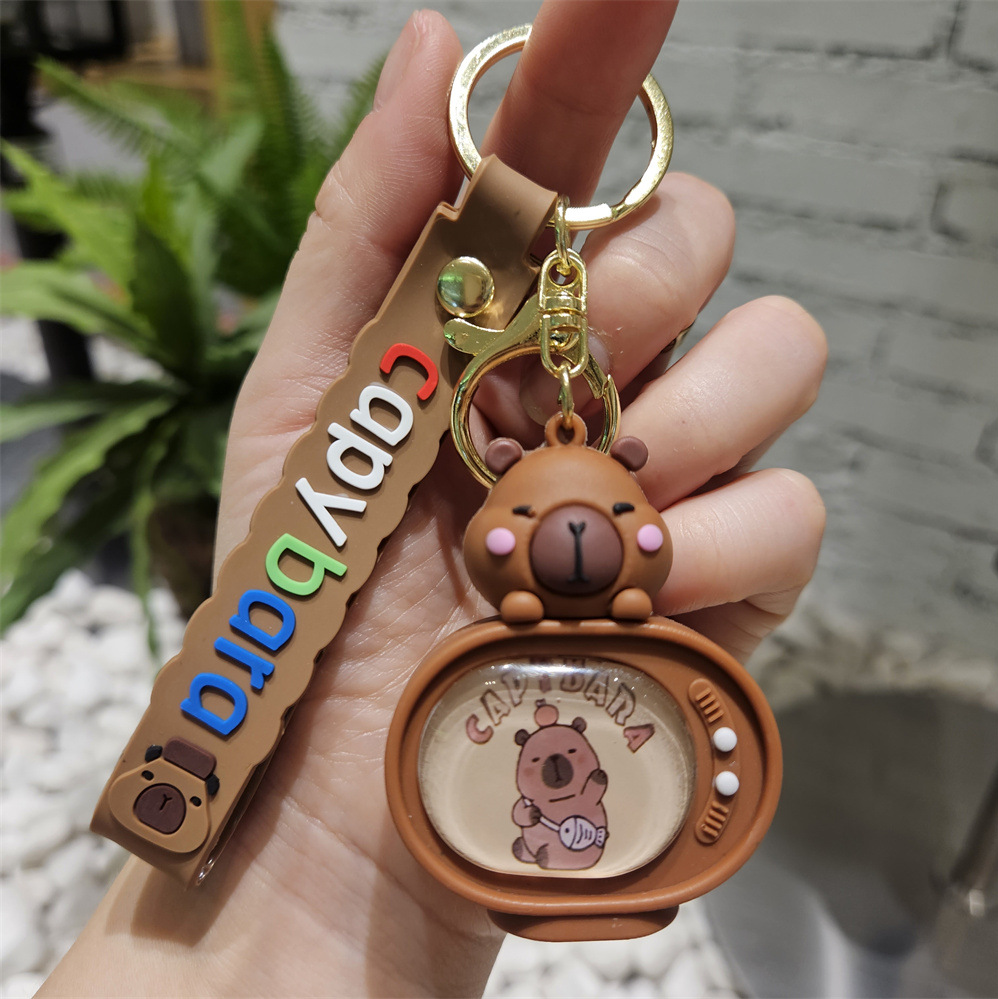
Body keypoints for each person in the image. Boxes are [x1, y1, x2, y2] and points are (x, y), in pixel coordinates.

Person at [39, 3, 826, 996]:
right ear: (492, 469)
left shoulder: (572, 660)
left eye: (621, 517)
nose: (577, 539)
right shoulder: (452, 669)